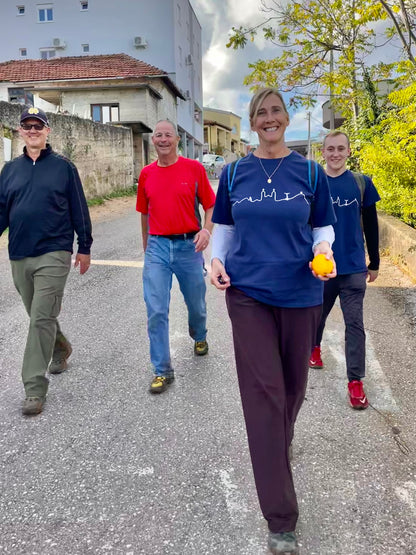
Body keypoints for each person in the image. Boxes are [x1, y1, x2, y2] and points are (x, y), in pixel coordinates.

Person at [210, 88, 336, 555]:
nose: (268, 119)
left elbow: (322, 226)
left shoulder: (309, 171)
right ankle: (281, 518)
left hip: (301, 292)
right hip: (247, 294)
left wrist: (323, 251)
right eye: (260, 113)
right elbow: (222, 228)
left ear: (286, 118)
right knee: (265, 394)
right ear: (251, 122)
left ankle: (274, 451)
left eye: (275, 111)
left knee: (292, 390)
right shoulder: (234, 173)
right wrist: (215, 264)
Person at [0, 107, 93, 416]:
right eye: (27, 126)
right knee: (38, 314)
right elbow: (2, 211)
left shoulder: (63, 167)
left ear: (47, 131)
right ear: (20, 132)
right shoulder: (10, 170)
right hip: (19, 253)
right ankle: (59, 346)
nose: (32, 130)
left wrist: (85, 245)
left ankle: (34, 389)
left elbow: (79, 207)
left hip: (55, 252)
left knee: (41, 318)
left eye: (38, 126)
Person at [136, 120, 215, 394]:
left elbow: (211, 204)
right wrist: (147, 248)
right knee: (156, 309)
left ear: (177, 139)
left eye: (167, 134)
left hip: (188, 246)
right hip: (157, 247)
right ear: (153, 141)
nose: (163, 139)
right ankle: (162, 370)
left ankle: (200, 335)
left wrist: (206, 230)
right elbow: (144, 214)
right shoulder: (146, 174)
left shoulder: (194, 169)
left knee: (196, 303)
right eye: (158, 135)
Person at [309, 131, 380, 410]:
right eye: (330, 149)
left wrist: (373, 262)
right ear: (322, 152)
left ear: (349, 151)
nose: (335, 154)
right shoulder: (315, 184)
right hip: (322, 269)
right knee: (317, 315)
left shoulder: (361, 183)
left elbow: (371, 225)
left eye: (341, 149)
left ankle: (355, 381)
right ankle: (314, 348)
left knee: (355, 324)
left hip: (352, 268)